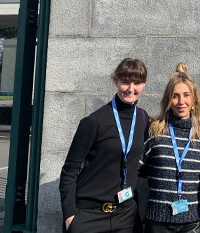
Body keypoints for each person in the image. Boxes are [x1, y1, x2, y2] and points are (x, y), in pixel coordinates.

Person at [59, 58, 149, 233]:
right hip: (89, 215)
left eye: (137, 83)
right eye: (125, 82)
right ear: (115, 81)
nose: (131, 88)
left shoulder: (143, 118)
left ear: (144, 84)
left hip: (124, 216)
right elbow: (69, 171)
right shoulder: (94, 121)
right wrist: (70, 216)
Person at [139, 63, 200, 233]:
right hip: (157, 220)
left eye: (186, 95)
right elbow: (140, 169)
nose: (181, 102)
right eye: (175, 96)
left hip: (192, 221)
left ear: (194, 99)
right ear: (168, 100)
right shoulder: (154, 130)